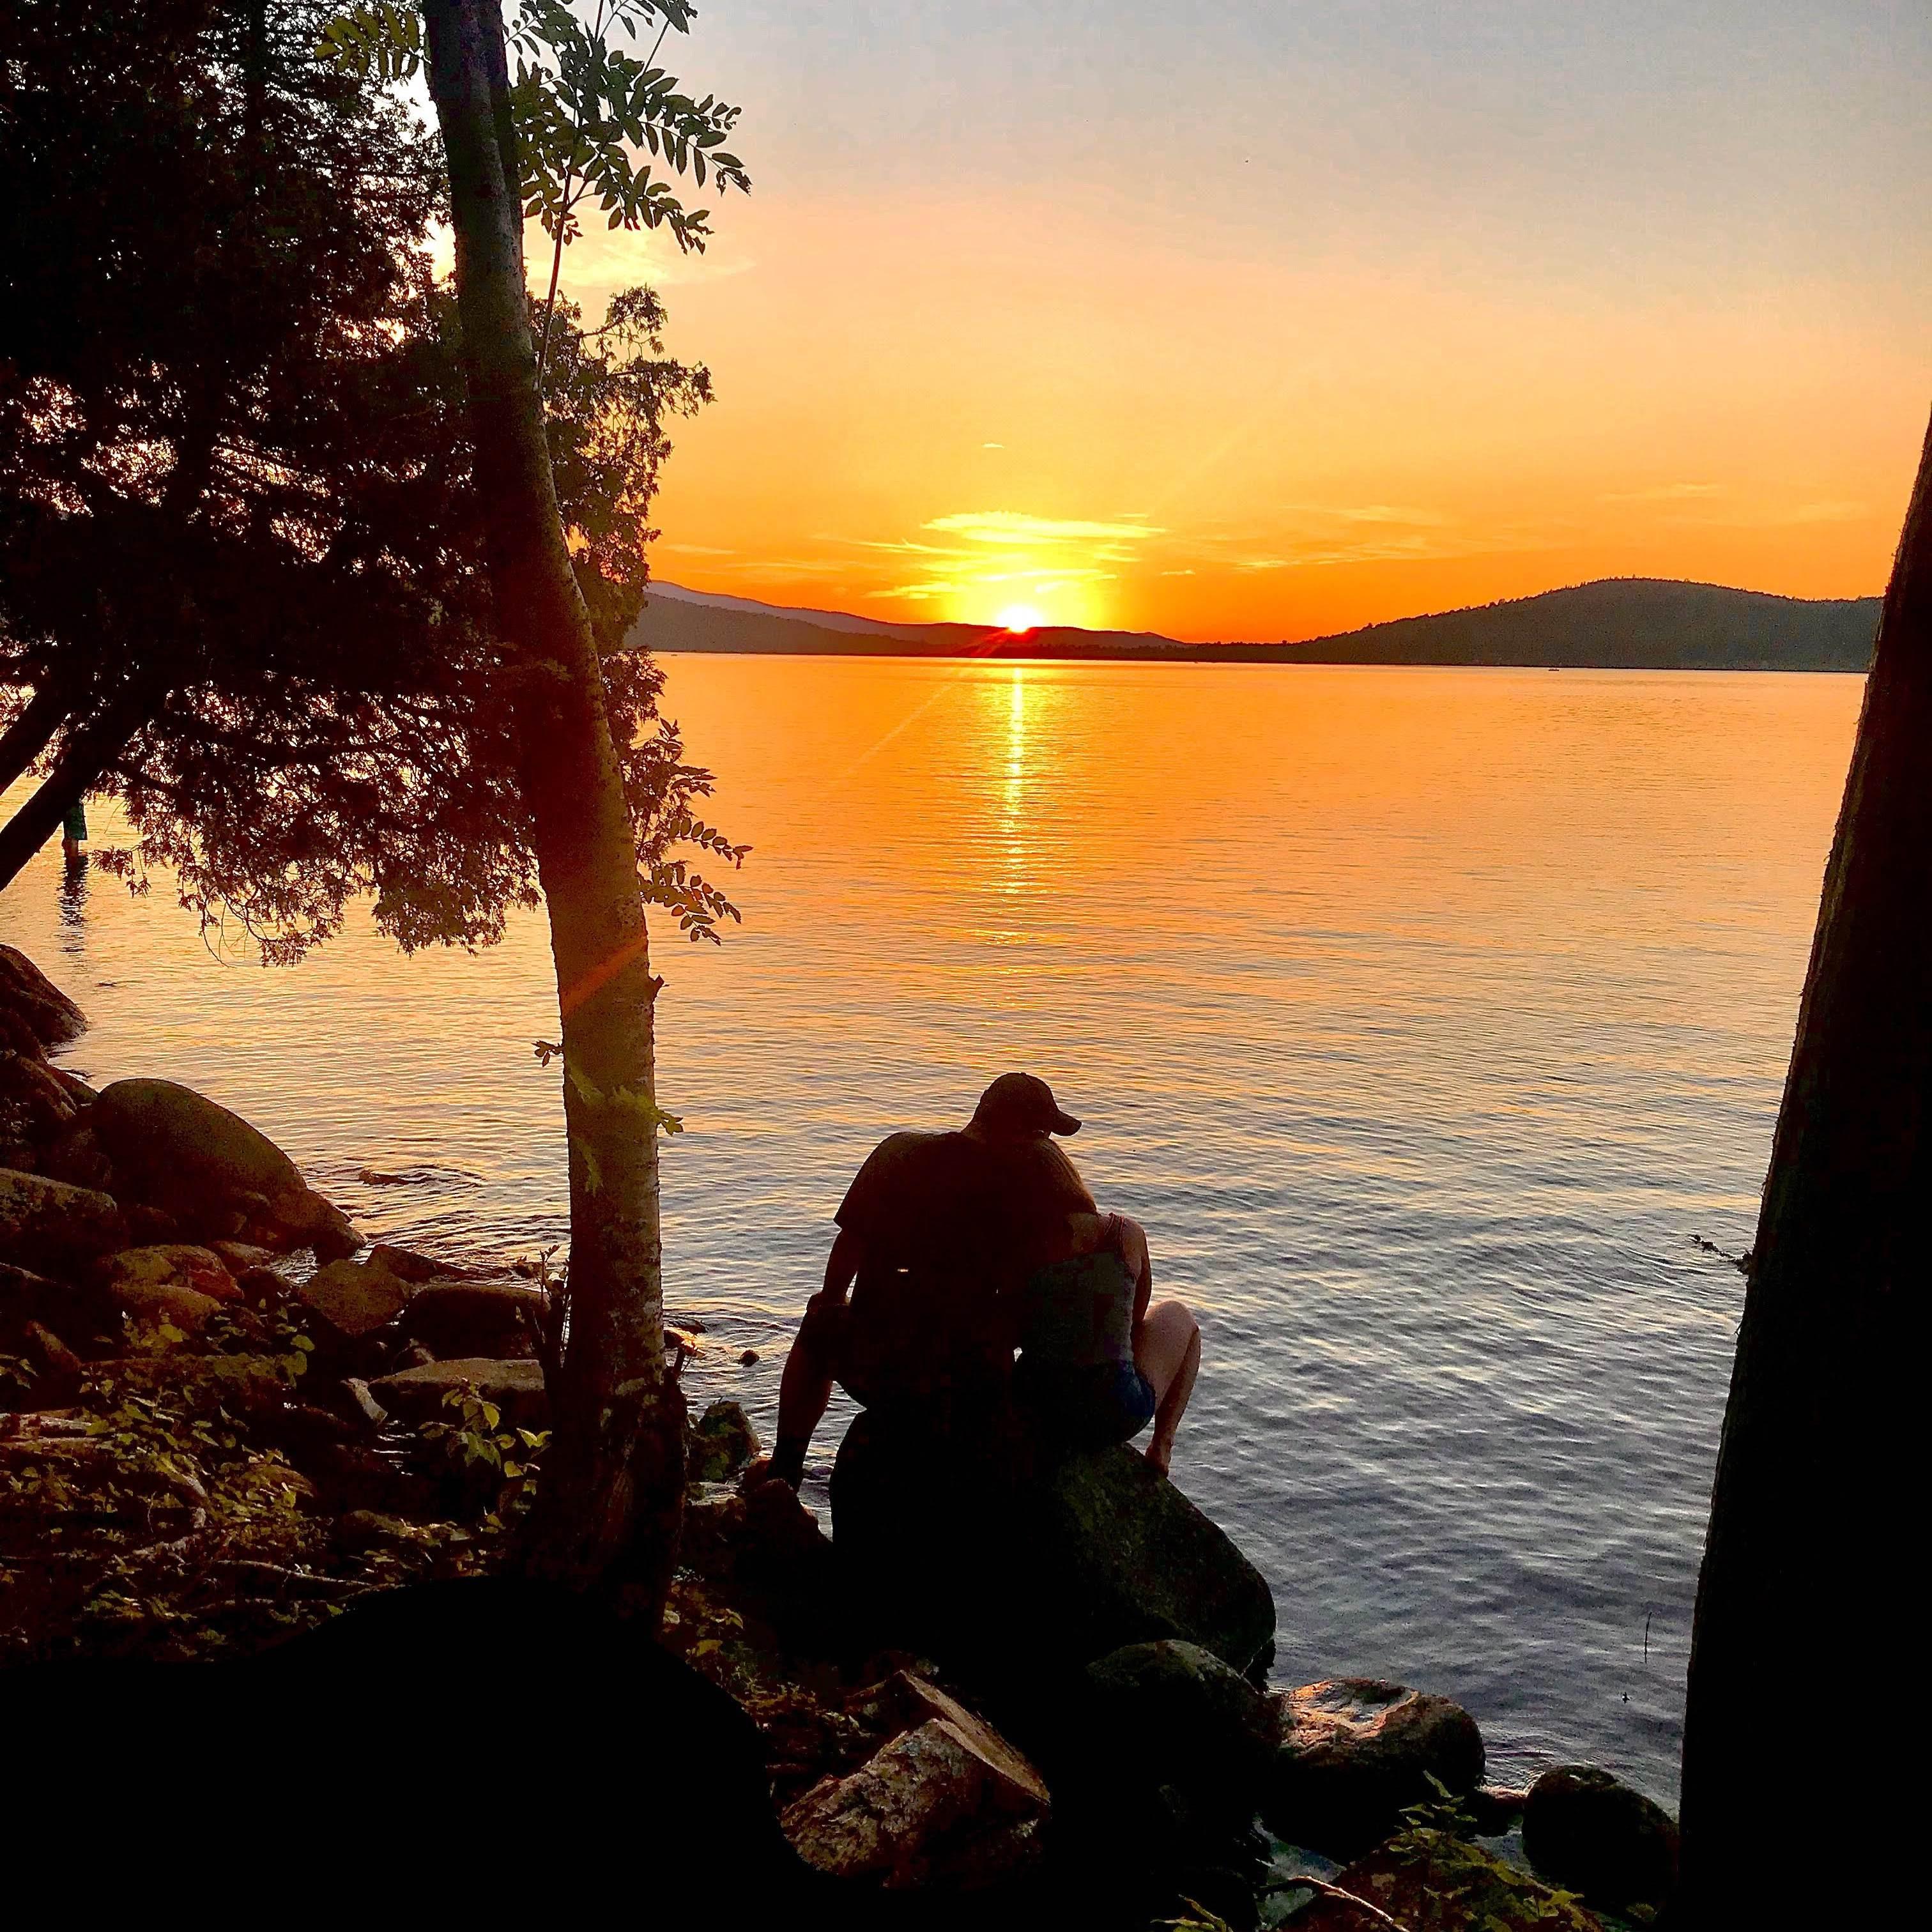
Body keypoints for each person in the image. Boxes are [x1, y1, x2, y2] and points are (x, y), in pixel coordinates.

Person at [756, 1072, 1093, 1491]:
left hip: (879, 1371)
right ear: (1017, 1131)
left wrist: (831, 1298)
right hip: (971, 1388)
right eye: (1043, 1133)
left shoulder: (899, 1152)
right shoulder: (1034, 1182)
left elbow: (850, 1244)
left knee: (818, 1327)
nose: (1047, 1143)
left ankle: (785, 1471)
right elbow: (1077, 1260)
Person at [1013, 1195, 1202, 1476]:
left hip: (1036, 1405)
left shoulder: (1019, 1242)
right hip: (1111, 1412)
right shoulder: (1125, 1234)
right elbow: (1136, 1319)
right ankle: (1161, 1446)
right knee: (1182, 1319)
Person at [60, 796, 87, 863]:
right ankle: (73, 860)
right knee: (73, 839)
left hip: (72, 806)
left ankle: (72, 859)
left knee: (72, 839)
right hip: (73, 807)